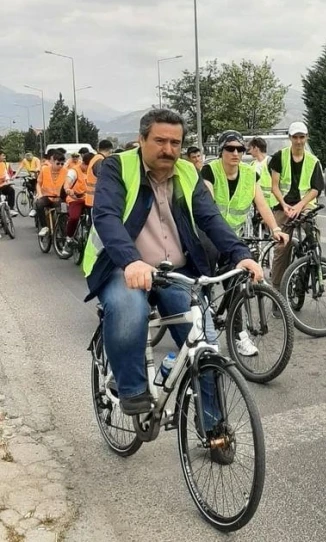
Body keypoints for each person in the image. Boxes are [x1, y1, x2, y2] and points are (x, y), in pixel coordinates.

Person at [82, 109, 263, 419]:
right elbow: (107, 217)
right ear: (141, 140)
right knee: (130, 310)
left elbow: (211, 218)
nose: (168, 149)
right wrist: (131, 262)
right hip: (121, 266)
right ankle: (131, 388)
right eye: (160, 141)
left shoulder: (187, 172)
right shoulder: (117, 167)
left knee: (204, 345)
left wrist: (240, 254)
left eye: (175, 143)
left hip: (173, 271)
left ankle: (214, 427)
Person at [200, 130, 289, 355]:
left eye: (240, 149)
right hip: (208, 235)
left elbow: (262, 205)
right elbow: (208, 209)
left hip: (233, 239)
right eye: (230, 148)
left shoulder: (250, 174)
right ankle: (205, 307)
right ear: (221, 150)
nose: (236, 153)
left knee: (235, 282)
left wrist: (275, 228)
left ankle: (239, 335)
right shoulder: (210, 170)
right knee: (205, 270)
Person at [269, 122, 324, 293]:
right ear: (290, 138)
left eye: (302, 137)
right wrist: (285, 205)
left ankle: (315, 265)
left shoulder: (313, 161)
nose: (299, 141)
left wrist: (300, 206)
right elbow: (275, 186)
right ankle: (277, 291)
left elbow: (316, 189)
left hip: (304, 205)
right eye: (295, 137)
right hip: (283, 205)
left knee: (313, 234)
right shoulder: (280, 157)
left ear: (306, 138)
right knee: (281, 247)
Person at [59, 152, 93, 257]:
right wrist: (68, 189)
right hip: (75, 199)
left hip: (90, 200)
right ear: (85, 164)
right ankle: (68, 240)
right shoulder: (74, 171)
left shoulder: (95, 171)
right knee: (74, 217)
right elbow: (67, 182)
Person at [35, 150, 68, 234]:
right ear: (52, 161)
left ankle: (63, 231)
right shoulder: (44, 169)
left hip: (59, 198)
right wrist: (40, 194)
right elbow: (38, 184)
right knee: (39, 204)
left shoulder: (65, 171)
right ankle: (44, 226)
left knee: (63, 211)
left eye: (62, 164)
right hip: (47, 197)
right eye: (58, 163)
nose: (60, 166)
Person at [86, 139, 114, 213]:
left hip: (93, 199)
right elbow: (104, 179)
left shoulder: (95, 158)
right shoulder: (100, 161)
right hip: (97, 199)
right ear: (110, 150)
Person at [247, 136, 275, 208]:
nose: (249, 152)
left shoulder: (271, 162)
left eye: (250, 149)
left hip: (271, 205)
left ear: (256, 148)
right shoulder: (252, 165)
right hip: (257, 205)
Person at [0, 151, 17, 217]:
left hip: (2, 185)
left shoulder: (3, 164)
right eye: (2, 155)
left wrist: (8, 181)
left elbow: (5, 174)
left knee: (11, 190)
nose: (4, 157)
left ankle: (11, 209)